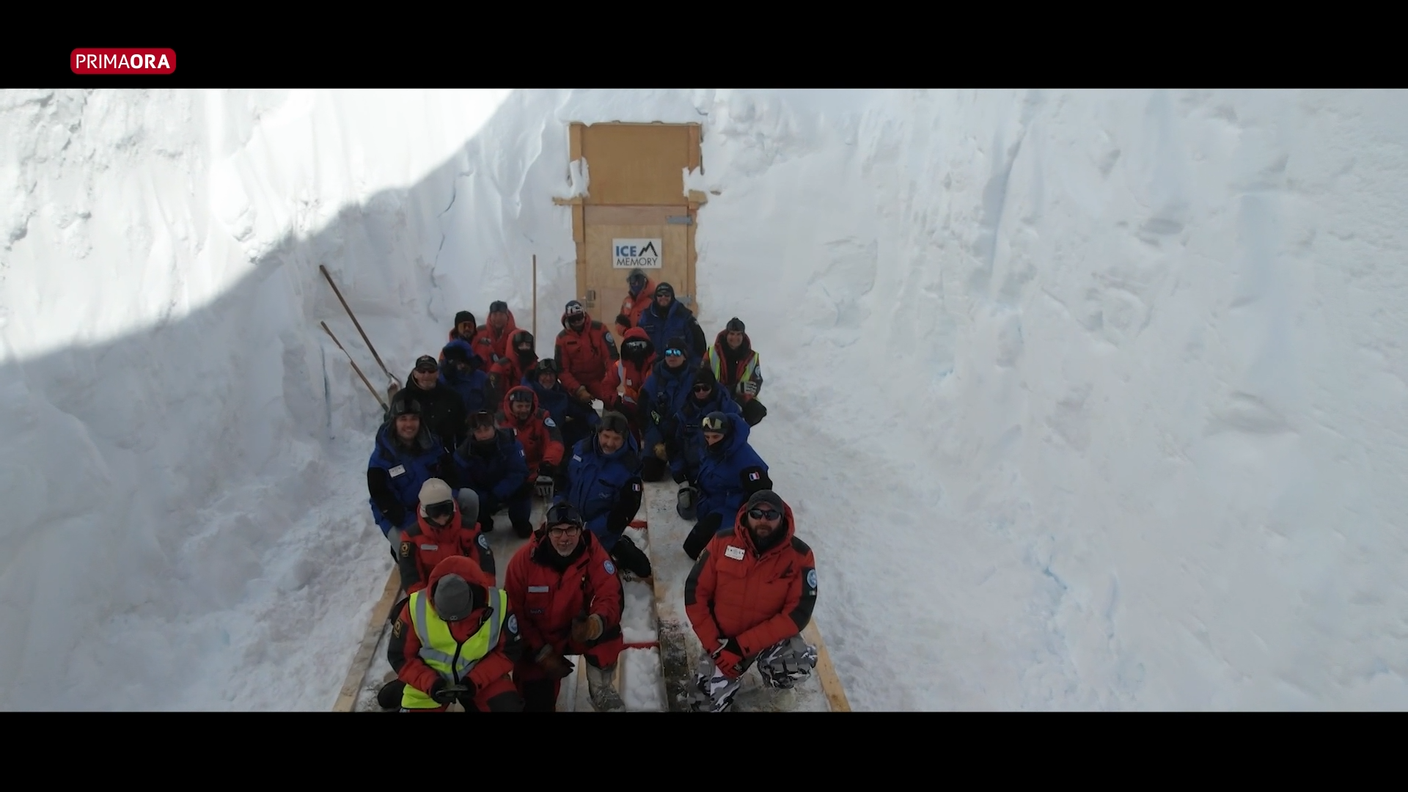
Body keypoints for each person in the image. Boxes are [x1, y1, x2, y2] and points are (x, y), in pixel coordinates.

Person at [682, 490, 819, 712]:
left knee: (796, 661)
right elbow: (694, 593)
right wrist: (715, 647)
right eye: (756, 513)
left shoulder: (800, 555)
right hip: (723, 640)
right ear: (747, 515)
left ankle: (779, 685)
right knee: (702, 705)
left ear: (782, 517)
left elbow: (798, 613)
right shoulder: (721, 542)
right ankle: (725, 677)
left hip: (768, 640)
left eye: (771, 515)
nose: (763, 520)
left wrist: (742, 647)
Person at [504, 502, 627, 711]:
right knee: (535, 704)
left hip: (577, 632)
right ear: (547, 532)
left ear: (581, 530)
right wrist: (541, 653)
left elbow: (610, 594)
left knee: (608, 630)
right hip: (538, 639)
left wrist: (594, 625)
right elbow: (513, 612)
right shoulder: (523, 562)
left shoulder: (594, 555)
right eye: (557, 531)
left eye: (571, 530)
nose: (564, 538)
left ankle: (602, 688)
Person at [383, 555, 525, 712]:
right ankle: (400, 688)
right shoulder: (415, 607)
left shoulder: (500, 604)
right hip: (431, 680)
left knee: (507, 707)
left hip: (482, 678)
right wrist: (430, 683)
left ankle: (398, 689)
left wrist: (476, 680)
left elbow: (508, 651)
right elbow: (400, 656)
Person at [558, 411, 651, 579]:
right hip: (569, 522)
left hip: (601, 531)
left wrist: (589, 529)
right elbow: (562, 479)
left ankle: (618, 547)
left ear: (624, 438)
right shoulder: (580, 449)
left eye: (616, 439)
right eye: (606, 436)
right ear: (598, 433)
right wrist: (561, 509)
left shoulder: (630, 468)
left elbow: (625, 511)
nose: (609, 443)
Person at [368, 391, 459, 558]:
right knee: (410, 553)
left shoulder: (432, 442)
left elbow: (450, 475)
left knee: (469, 499)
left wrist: (449, 504)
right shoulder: (380, 458)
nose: (409, 424)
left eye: (413, 419)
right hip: (401, 515)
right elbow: (382, 498)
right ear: (394, 421)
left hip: (434, 506)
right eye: (403, 419)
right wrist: (420, 524)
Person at [682, 411, 770, 560]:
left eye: (716, 437)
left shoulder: (747, 461)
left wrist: (727, 513)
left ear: (727, 434)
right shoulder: (714, 450)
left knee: (705, 554)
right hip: (711, 503)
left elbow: (762, 497)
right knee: (691, 546)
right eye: (707, 437)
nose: (711, 441)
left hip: (732, 511)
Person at [398, 478, 494, 595]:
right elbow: (411, 577)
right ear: (425, 512)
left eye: (446, 511)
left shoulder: (471, 529)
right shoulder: (411, 538)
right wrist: (424, 600)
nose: (442, 520)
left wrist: (484, 593)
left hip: (469, 591)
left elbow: (485, 565)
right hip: (432, 595)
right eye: (435, 514)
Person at [669, 366, 741, 520]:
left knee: (724, 512)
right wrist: (680, 475)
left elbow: (739, 441)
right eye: (697, 388)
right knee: (688, 510)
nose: (701, 392)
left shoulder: (727, 409)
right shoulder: (684, 411)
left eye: (705, 388)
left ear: (713, 387)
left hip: (720, 470)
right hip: (694, 471)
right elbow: (675, 444)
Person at [454, 410, 532, 537]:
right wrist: (485, 499)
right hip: (482, 491)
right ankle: (482, 519)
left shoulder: (510, 443)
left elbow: (518, 472)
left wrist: (497, 493)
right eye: (479, 431)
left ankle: (520, 520)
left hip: (505, 486)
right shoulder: (462, 454)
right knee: (467, 496)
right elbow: (465, 483)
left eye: (487, 429)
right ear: (472, 433)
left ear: (494, 427)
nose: (484, 435)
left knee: (524, 487)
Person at [637, 337, 699, 482]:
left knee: (690, 475)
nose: (672, 356)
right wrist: (656, 441)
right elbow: (644, 412)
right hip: (660, 432)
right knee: (649, 473)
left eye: (677, 353)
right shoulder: (654, 378)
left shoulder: (696, 377)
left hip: (684, 434)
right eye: (668, 352)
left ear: (685, 356)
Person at [383, 355, 468, 453]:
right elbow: (389, 431)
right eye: (422, 371)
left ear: (437, 373)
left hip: (445, 455)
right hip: (411, 455)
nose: (426, 375)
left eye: (431, 371)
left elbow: (463, 431)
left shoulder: (452, 397)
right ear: (415, 373)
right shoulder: (401, 398)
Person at [495, 385, 566, 497]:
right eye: (519, 406)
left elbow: (555, 442)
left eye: (527, 406)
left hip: (537, 474)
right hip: (508, 474)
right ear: (510, 405)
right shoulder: (498, 422)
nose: (524, 410)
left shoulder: (541, 418)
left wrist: (547, 466)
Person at [554, 299, 621, 408]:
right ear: (567, 319)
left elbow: (611, 357)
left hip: (599, 380)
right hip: (575, 383)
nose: (577, 321)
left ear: (584, 315)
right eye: (573, 319)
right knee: (572, 407)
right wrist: (578, 389)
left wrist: (610, 381)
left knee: (613, 401)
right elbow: (562, 370)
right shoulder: (562, 338)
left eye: (579, 317)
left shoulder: (599, 329)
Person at [525, 358, 598, 452]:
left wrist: (597, 424)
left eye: (551, 375)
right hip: (533, 440)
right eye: (544, 374)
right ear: (537, 376)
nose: (548, 378)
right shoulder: (527, 394)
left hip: (557, 437)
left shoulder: (561, 394)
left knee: (583, 426)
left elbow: (581, 410)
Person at [704, 317, 767, 427]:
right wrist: (731, 389)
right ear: (726, 335)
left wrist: (747, 390)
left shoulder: (752, 356)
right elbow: (703, 376)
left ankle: (741, 429)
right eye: (732, 334)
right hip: (716, 396)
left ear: (743, 336)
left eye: (738, 334)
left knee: (757, 410)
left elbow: (756, 380)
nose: (735, 338)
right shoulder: (712, 352)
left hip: (740, 398)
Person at [603, 326, 655, 444]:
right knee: (622, 429)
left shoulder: (657, 365)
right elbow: (606, 385)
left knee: (653, 439)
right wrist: (616, 402)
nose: (636, 349)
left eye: (640, 345)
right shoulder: (620, 365)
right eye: (631, 345)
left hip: (651, 408)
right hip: (629, 410)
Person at [636, 282, 706, 363]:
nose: (663, 297)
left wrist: (693, 366)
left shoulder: (684, 315)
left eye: (667, 295)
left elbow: (698, 344)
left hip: (678, 366)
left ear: (672, 296)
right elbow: (638, 340)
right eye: (660, 295)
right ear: (655, 297)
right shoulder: (646, 316)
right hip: (652, 365)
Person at [439, 339, 496, 417]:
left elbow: (493, 404)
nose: (460, 366)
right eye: (455, 362)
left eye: (463, 361)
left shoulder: (481, 378)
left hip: (476, 422)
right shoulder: (442, 380)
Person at [489, 330, 538, 404]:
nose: (524, 348)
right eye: (521, 345)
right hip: (505, 407)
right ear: (513, 346)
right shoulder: (500, 367)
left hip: (529, 407)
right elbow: (493, 395)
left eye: (527, 345)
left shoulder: (535, 367)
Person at [471, 300, 519, 367]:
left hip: (507, 371)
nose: (498, 318)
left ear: (507, 316)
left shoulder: (517, 335)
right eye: (495, 315)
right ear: (490, 316)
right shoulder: (479, 332)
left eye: (501, 315)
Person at [613, 268, 655, 340]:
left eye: (639, 281)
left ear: (644, 282)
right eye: (633, 282)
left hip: (648, 341)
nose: (636, 284)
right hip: (630, 341)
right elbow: (619, 322)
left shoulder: (653, 301)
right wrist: (626, 332)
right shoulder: (627, 301)